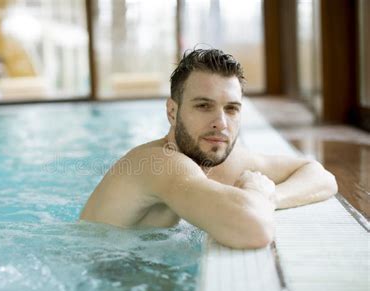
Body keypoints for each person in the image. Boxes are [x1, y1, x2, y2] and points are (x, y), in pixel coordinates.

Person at [79, 49, 337, 249]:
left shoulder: (219, 160)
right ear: (172, 111)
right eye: (204, 106)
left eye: (231, 108)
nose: (221, 123)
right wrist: (255, 195)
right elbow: (254, 229)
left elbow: (320, 176)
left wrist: (271, 196)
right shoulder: (158, 163)